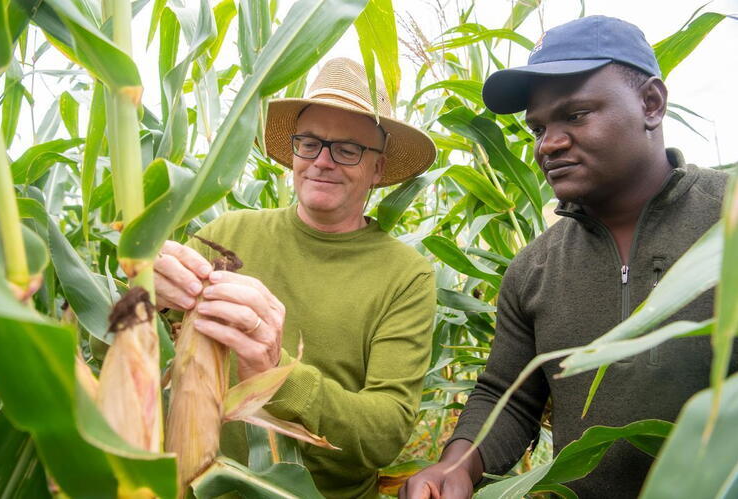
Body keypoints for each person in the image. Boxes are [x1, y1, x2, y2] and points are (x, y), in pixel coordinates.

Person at [401, 15, 737, 499]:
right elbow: (508, 398)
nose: (548, 144)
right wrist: (456, 465)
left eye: (576, 115)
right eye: (538, 127)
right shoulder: (534, 269)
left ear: (651, 104)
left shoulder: (730, 219)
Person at [154, 58, 437, 498]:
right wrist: (141, 300)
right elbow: (110, 349)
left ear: (378, 170)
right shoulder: (226, 234)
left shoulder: (406, 276)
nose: (323, 161)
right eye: (310, 143)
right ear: (294, 151)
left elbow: (385, 432)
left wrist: (278, 373)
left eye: (347, 149)